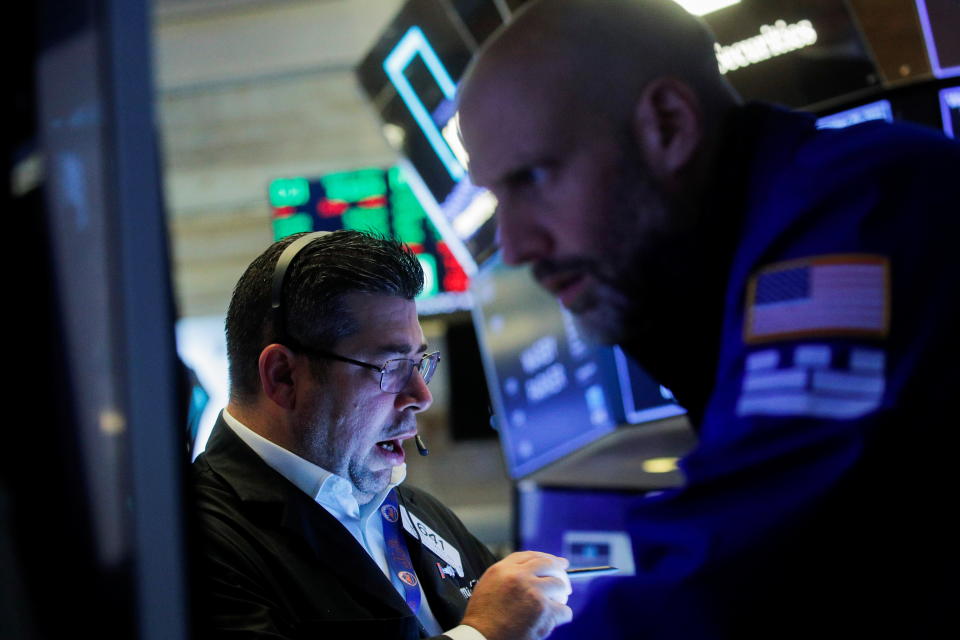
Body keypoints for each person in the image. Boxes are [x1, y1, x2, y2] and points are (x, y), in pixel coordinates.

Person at [457, 0, 960, 637]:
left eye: (532, 178)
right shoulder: (717, 271)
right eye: (498, 196)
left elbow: (734, 579)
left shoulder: (864, 201)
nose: (517, 246)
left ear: (668, 124)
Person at [192, 230, 572, 640]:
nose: (421, 397)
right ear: (283, 376)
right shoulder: (195, 540)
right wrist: (484, 634)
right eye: (391, 366)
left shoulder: (416, 510)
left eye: (419, 362)